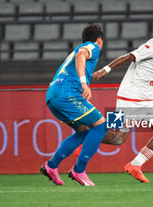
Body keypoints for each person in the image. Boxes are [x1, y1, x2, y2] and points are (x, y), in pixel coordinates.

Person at [92, 18, 153, 183]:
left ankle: (135, 165)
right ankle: (85, 135)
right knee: (117, 138)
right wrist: (105, 69)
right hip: (128, 95)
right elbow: (129, 56)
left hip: (148, 99)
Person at [40, 24, 107, 186]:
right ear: (99, 40)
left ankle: (52, 166)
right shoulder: (93, 46)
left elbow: (78, 57)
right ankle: (79, 170)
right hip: (67, 93)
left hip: (53, 95)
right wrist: (84, 83)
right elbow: (81, 56)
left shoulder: (79, 47)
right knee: (101, 126)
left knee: (84, 132)